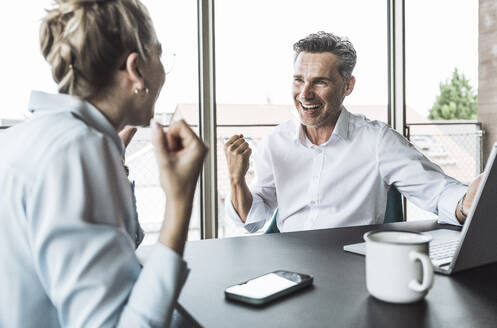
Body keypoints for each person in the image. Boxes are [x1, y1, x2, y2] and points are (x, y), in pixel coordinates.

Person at [0, 0, 207, 327]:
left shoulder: (18, 139)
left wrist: (115, 170)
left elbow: (109, 259)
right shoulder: (78, 150)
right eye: (161, 56)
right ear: (136, 69)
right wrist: (179, 203)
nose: (164, 71)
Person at [224, 31, 480, 233]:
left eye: (320, 82)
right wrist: (237, 180)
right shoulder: (275, 143)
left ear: (348, 86)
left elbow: (436, 191)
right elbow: (255, 220)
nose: (305, 94)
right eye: (299, 80)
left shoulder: (377, 141)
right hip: (291, 267)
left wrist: (466, 201)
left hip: (352, 267)